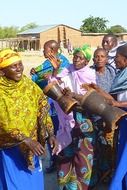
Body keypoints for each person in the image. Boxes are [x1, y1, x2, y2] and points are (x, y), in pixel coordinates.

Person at [0, 49, 58, 190]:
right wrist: (25, 139)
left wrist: (50, 133)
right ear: (2, 71)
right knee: (16, 183)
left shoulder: (28, 85)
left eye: (20, 64)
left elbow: (43, 106)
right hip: (10, 148)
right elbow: (3, 123)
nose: (19, 68)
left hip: (33, 147)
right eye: (13, 66)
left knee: (34, 182)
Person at [50, 44, 98, 189]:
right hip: (67, 118)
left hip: (84, 119)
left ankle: (82, 186)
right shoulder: (67, 70)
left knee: (83, 155)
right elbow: (54, 83)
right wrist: (55, 70)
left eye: (80, 58)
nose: (76, 60)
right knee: (66, 153)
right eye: (75, 57)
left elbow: (92, 99)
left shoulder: (90, 75)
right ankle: (67, 185)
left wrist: (74, 97)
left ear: (86, 61)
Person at [31, 40, 70, 173]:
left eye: (45, 49)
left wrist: (53, 72)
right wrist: (34, 73)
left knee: (60, 130)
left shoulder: (63, 63)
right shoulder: (46, 63)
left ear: (53, 51)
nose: (43, 51)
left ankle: (62, 160)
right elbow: (36, 77)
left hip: (59, 105)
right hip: (47, 103)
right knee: (50, 131)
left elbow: (63, 82)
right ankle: (54, 160)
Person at [92, 48, 116, 183]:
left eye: (102, 56)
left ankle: (107, 174)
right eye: (97, 56)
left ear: (107, 59)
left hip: (109, 114)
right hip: (93, 115)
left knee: (108, 146)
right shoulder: (89, 73)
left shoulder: (112, 73)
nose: (99, 59)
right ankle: (96, 176)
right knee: (95, 147)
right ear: (93, 59)